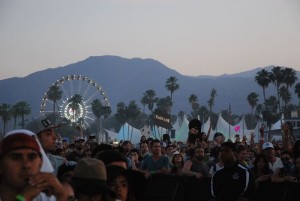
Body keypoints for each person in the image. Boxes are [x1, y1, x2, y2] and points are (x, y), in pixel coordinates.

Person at [0, 129, 66, 201]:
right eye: (16, 158)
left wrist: (61, 196)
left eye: (31, 157)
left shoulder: (46, 198)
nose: (26, 165)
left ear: (41, 163)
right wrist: (24, 198)